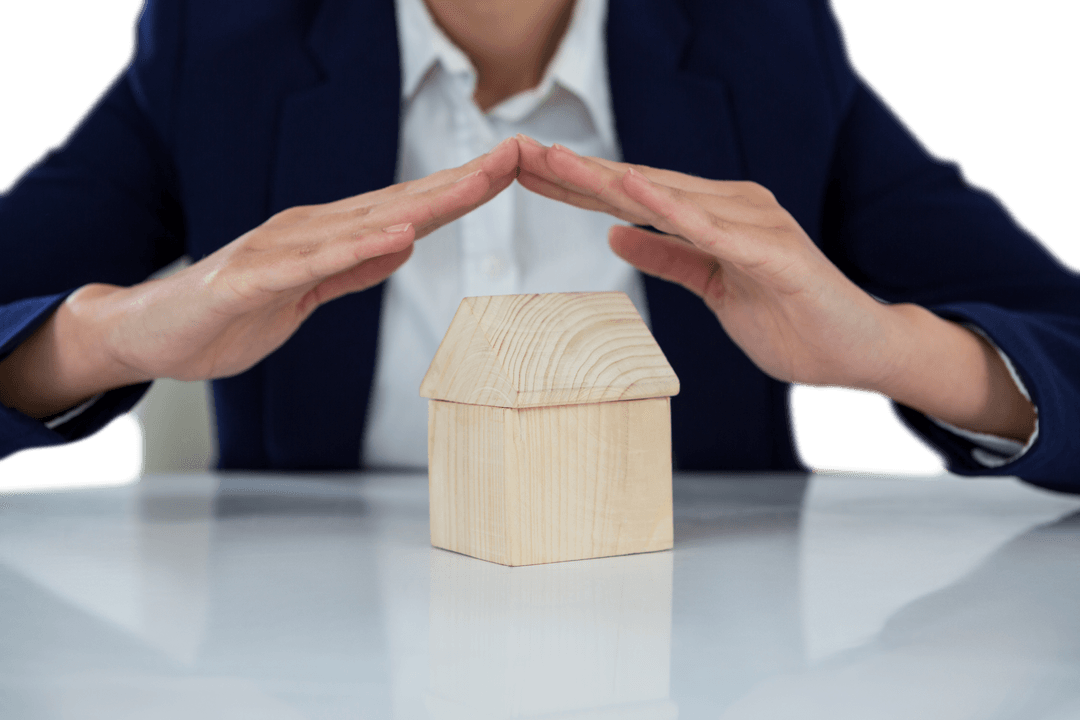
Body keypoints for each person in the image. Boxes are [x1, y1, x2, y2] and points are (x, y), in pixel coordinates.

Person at [0, 0, 1077, 490]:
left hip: (716, 648)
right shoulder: (217, 41)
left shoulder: (766, 38)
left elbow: (1063, 334)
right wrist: (108, 338)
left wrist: (888, 349)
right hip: (305, 662)